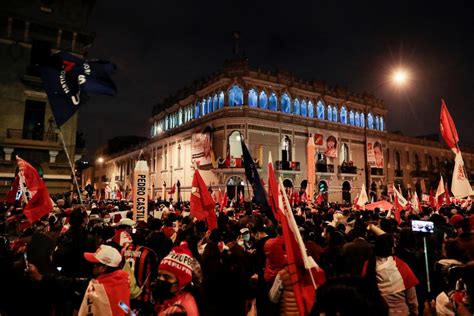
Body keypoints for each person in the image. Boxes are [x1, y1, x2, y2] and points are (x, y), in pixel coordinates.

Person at [78, 244, 130, 316]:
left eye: (95, 264)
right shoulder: (122, 280)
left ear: (103, 268)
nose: (93, 266)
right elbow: (123, 306)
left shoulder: (97, 290)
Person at [153, 243, 199, 315]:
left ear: (182, 283)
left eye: (167, 277)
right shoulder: (180, 297)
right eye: (159, 275)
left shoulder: (179, 311)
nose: (161, 279)